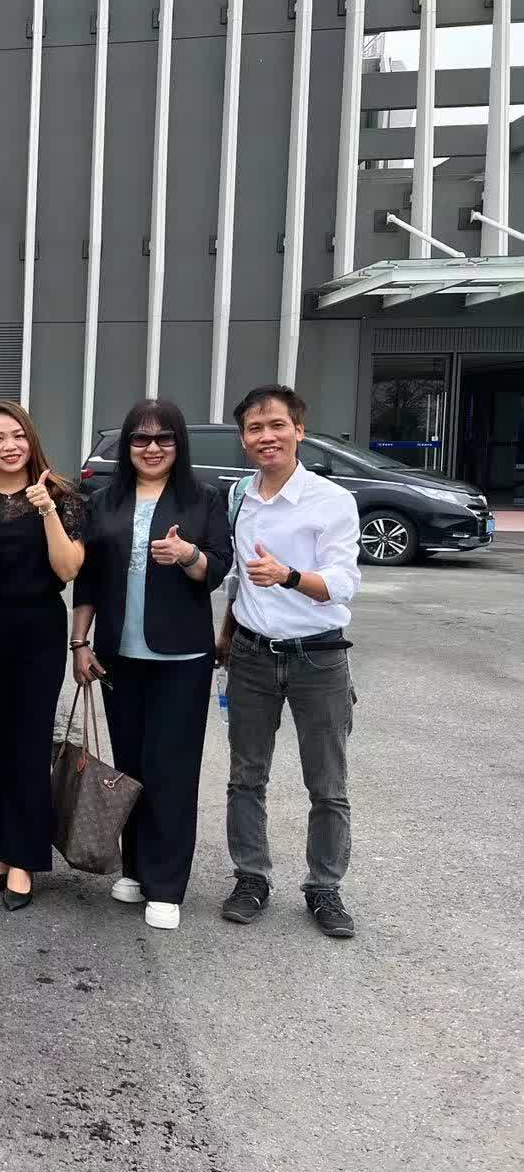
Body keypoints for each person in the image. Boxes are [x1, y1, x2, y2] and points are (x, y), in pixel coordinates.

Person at [70, 399, 232, 931]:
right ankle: (136, 869)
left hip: (181, 657)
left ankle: (165, 884)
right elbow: (90, 579)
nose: (153, 448)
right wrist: (80, 642)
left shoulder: (203, 498)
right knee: (132, 765)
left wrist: (189, 557)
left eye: (164, 438)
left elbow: (218, 567)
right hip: (119, 655)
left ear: (179, 444)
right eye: (141, 439)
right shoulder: (104, 501)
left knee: (172, 770)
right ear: (127, 447)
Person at [217, 384, 362, 939]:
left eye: (277, 425)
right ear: (243, 439)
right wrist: (226, 635)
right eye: (255, 428)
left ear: (299, 430)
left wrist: (289, 576)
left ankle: (324, 887)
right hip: (251, 656)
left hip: (318, 658)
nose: (266, 437)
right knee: (245, 777)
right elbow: (237, 576)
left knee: (327, 783)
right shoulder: (239, 496)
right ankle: (251, 877)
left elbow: (344, 584)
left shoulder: (331, 500)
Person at [0, 401, 84, 911]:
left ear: (31, 440)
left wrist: (47, 509)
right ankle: (0, 845)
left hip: (38, 631)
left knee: (30, 741)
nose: (9, 446)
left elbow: (68, 569)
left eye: (17, 435)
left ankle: (24, 858)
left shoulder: (63, 496)